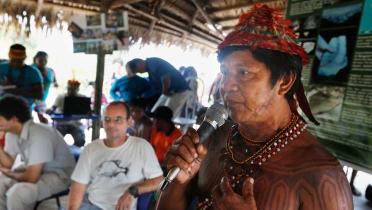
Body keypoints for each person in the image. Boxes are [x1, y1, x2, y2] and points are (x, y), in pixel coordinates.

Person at [158, 4, 353, 210]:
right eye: (225, 72)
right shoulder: (213, 138)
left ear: (284, 81)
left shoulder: (322, 175)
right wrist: (178, 183)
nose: (225, 86)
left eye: (243, 73)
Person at [68, 101, 163, 210]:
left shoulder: (141, 147)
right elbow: (78, 186)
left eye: (118, 119)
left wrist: (133, 191)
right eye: (107, 119)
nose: (111, 124)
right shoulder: (91, 149)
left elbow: (159, 181)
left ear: (129, 122)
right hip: (91, 205)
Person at [0, 94, 75, 210]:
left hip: (59, 176)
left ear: (14, 119)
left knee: (18, 193)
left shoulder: (40, 134)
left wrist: (10, 174)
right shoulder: (11, 133)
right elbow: (8, 164)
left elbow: (31, 177)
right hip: (35, 171)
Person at [126, 57, 191, 119]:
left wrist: (164, 91)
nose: (140, 73)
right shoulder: (150, 69)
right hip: (169, 92)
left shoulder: (153, 63)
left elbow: (166, 77)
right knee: (157, 113)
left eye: (138, 71)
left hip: (179, 91)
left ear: (139, 64)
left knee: (167, 117)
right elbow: (155, 87)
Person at [0, 44, 43, 109]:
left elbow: (39, 95)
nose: (16, 62)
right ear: (9, 56)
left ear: (25, 57)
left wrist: (15, 90)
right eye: (14, 59)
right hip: (2, 109)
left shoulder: (33, 72)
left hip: (24, 111)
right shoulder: (1, 68)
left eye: (19, 60)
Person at [49, 80, 86, 147]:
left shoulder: (82, 98)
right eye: (69, 89)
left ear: (77, 89)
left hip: (75, 125)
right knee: (56, 143)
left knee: (80, 141)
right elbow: (53, 108)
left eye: (73, 89)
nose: (71, 91)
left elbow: (87, 112)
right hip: (62, 124)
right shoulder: (61, 97)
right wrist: (50, 110)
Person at [33, 51, 58, 123]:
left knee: (44, 120)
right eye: (40, 60)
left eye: (45, 60)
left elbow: (55, 83)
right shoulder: (31, 70)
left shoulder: (50, 71)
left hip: (44, 99)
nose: (43, 62)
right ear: (35, 59)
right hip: (32, 99)